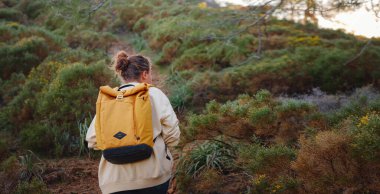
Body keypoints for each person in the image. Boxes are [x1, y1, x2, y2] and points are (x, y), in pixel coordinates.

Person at [86, 51, 181, 194]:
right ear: (144, 74)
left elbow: (92, 140)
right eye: (150, 74)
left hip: (113, 183)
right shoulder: (154, 93)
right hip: (153, 178)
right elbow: (173, 136)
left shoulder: (109, 98)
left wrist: (118, 142)